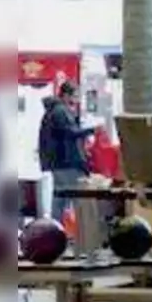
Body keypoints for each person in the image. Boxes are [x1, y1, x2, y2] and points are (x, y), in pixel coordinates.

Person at [37, 81, 93, 220]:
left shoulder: (52, 111)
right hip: (68, 162)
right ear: (66, 95)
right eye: (75, 96)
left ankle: (56, 231)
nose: (77, 100)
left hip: (57, 163)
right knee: (78, 199)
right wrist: (91, 130)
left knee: (59, 199)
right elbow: (70, 133)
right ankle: (80, 233)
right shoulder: (61, 111)